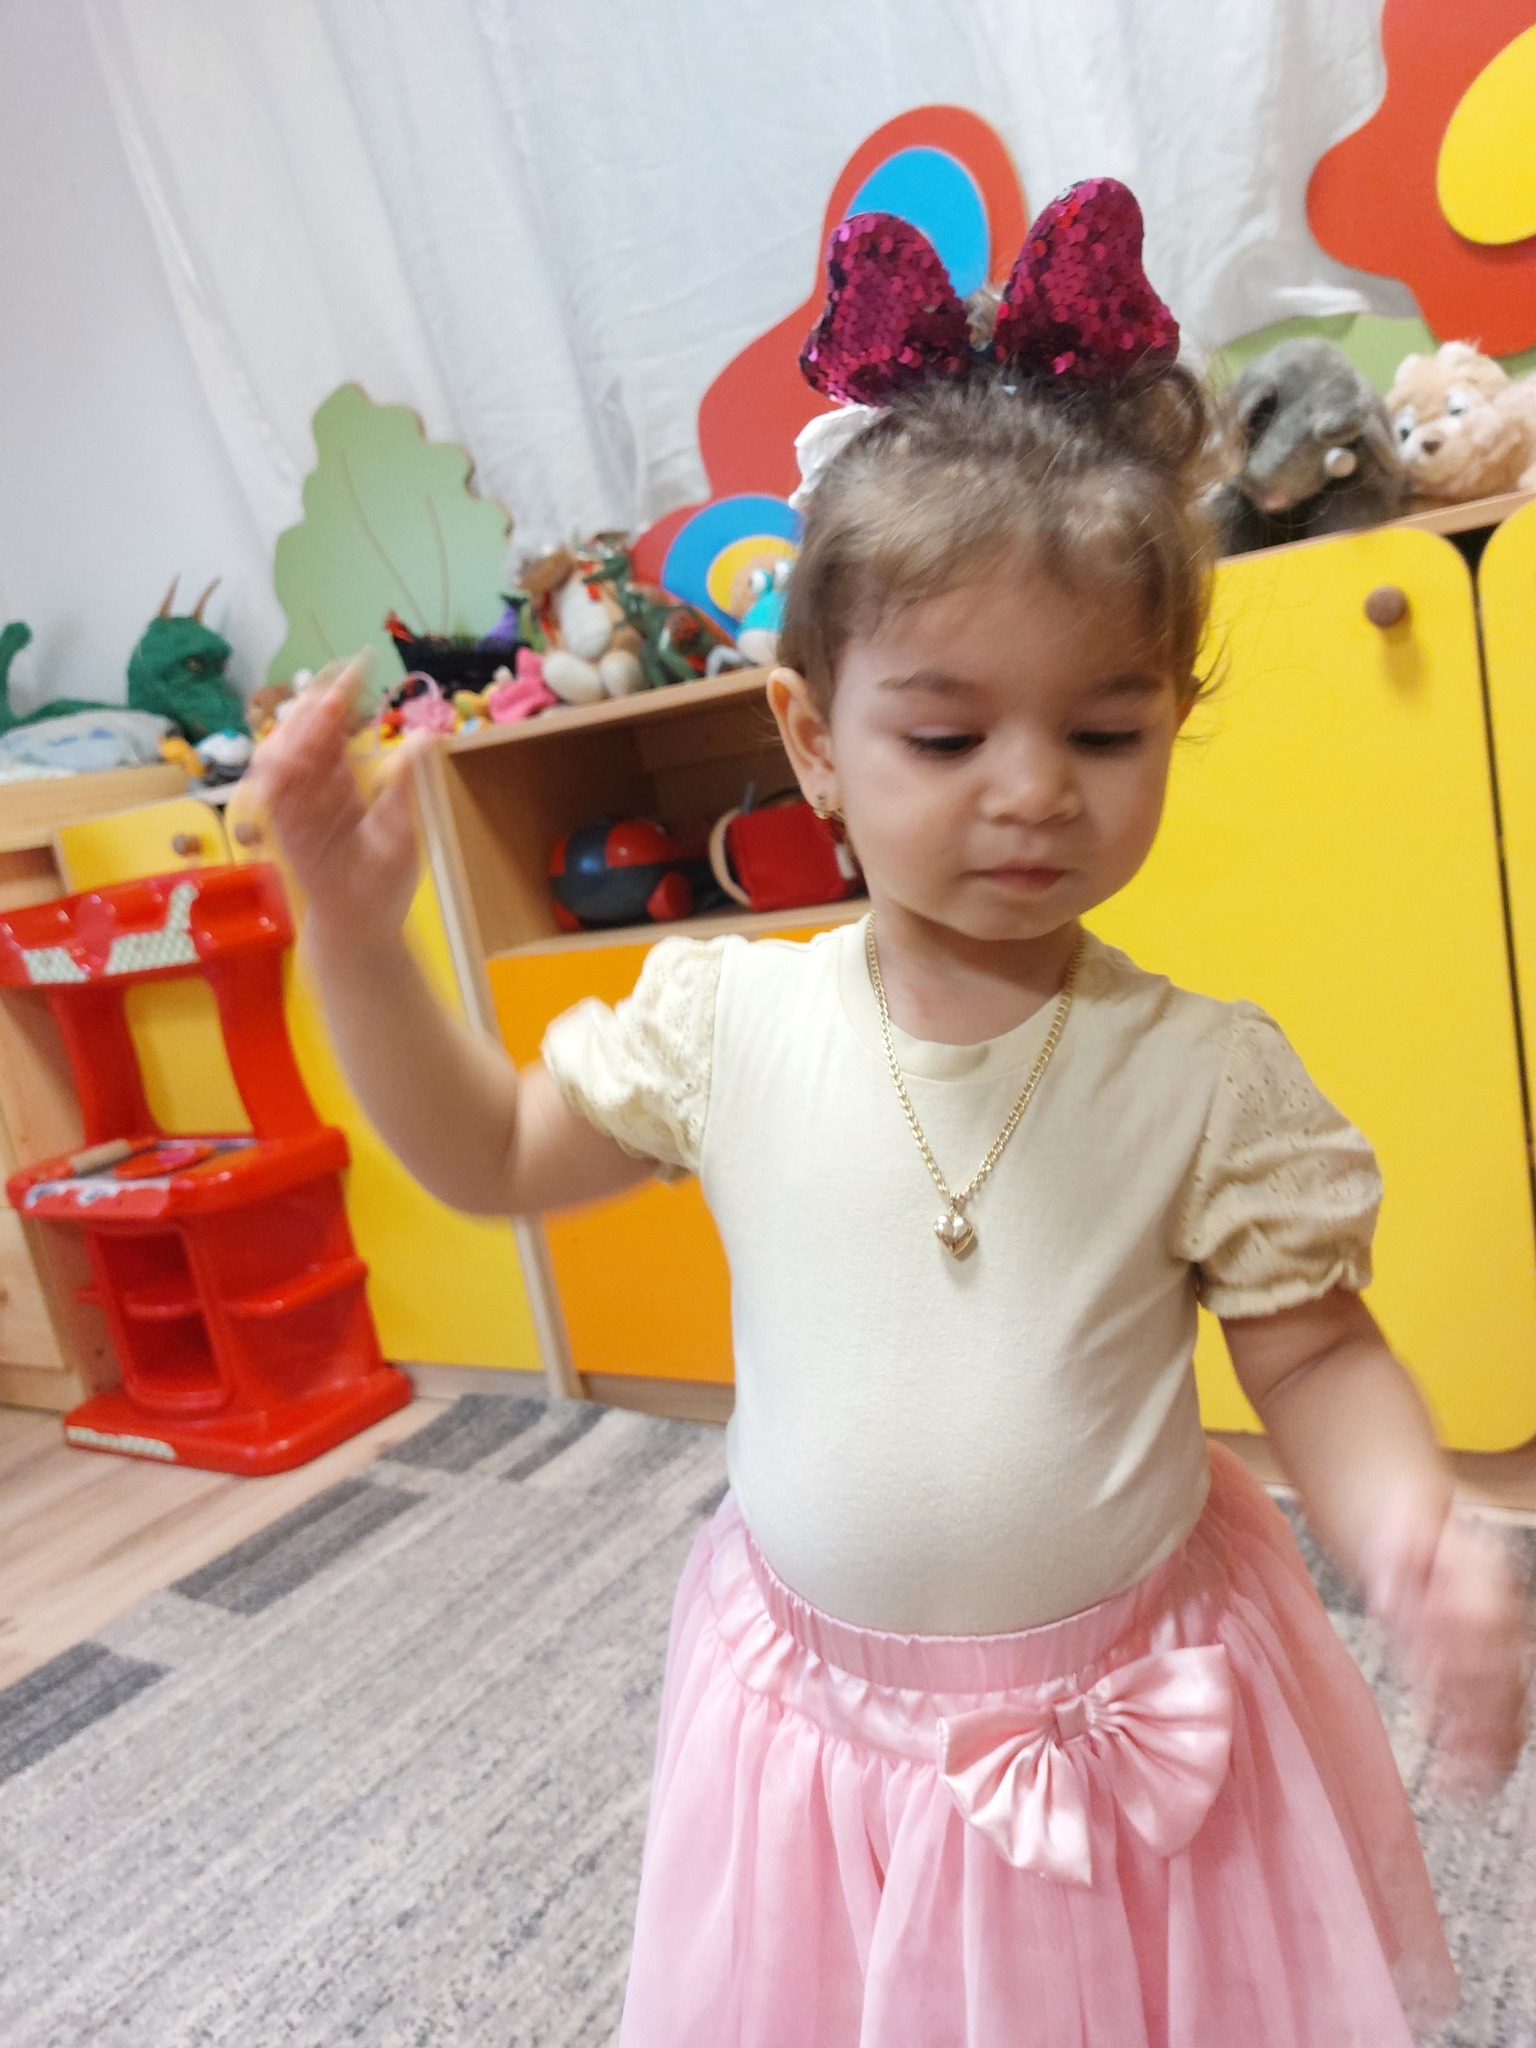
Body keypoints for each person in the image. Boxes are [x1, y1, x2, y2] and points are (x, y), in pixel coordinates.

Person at [249, 181, 1530, 2047]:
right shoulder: (728, 1020)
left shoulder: (1201, 1075)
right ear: (812, 740)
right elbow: (490, 1154)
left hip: (1126, 1715)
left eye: (1106, 732)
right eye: (946, 735)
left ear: (1173, 720)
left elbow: (1319, 1354)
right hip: (820, 1741)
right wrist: (365, 952)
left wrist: (1411, 1530)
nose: (1034, 792)